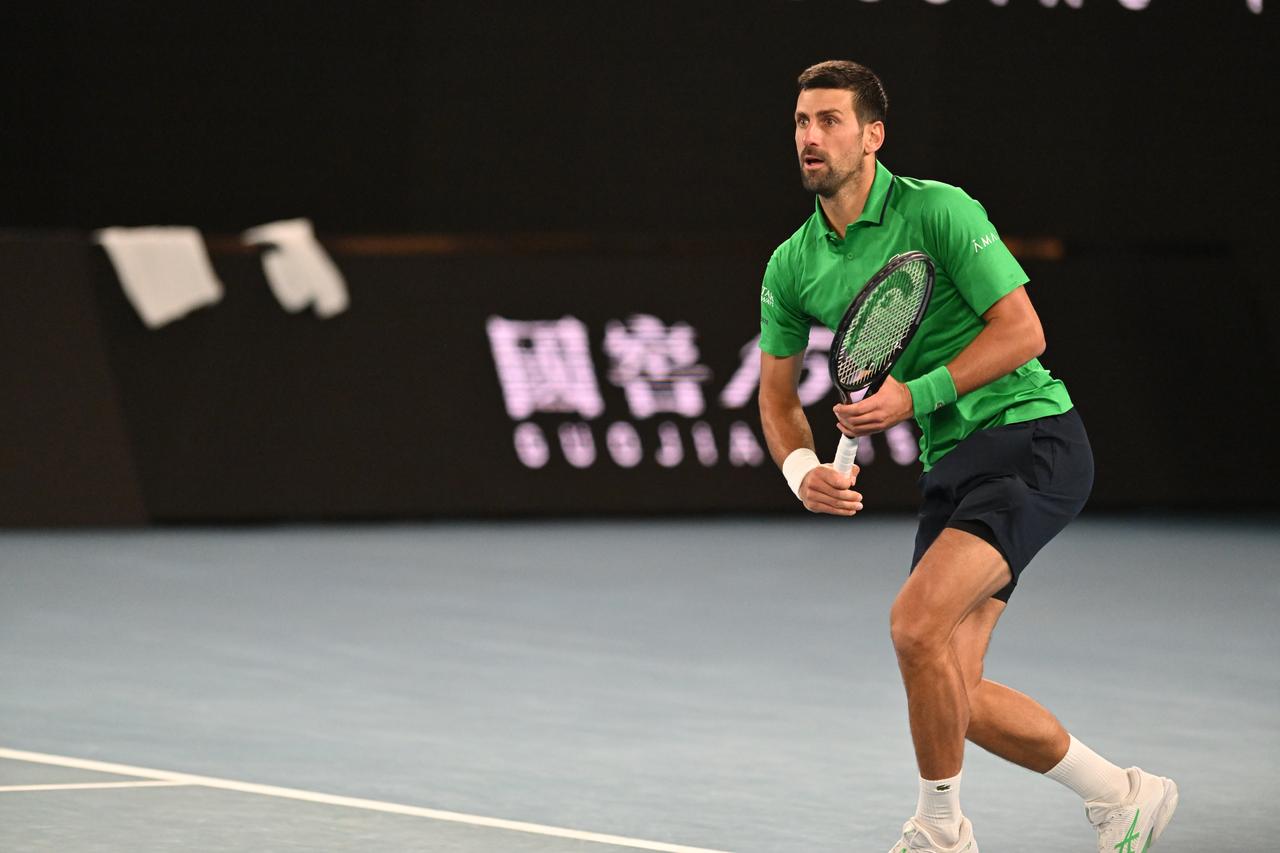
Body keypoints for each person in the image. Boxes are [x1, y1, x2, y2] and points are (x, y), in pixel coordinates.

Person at [756, 60, 1178, 853]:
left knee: (913, 624)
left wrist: (912, 398)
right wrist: (799, 469)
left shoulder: (940, 210)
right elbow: (777, 400)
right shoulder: (792, 265)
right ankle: (1123, 796)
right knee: (951, 685)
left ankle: (940, 831)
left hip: (1032, 436)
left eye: (830, 121)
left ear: (873, 136)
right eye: (801, 123)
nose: (810, 137)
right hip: (951, 464)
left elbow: (1024, 331)